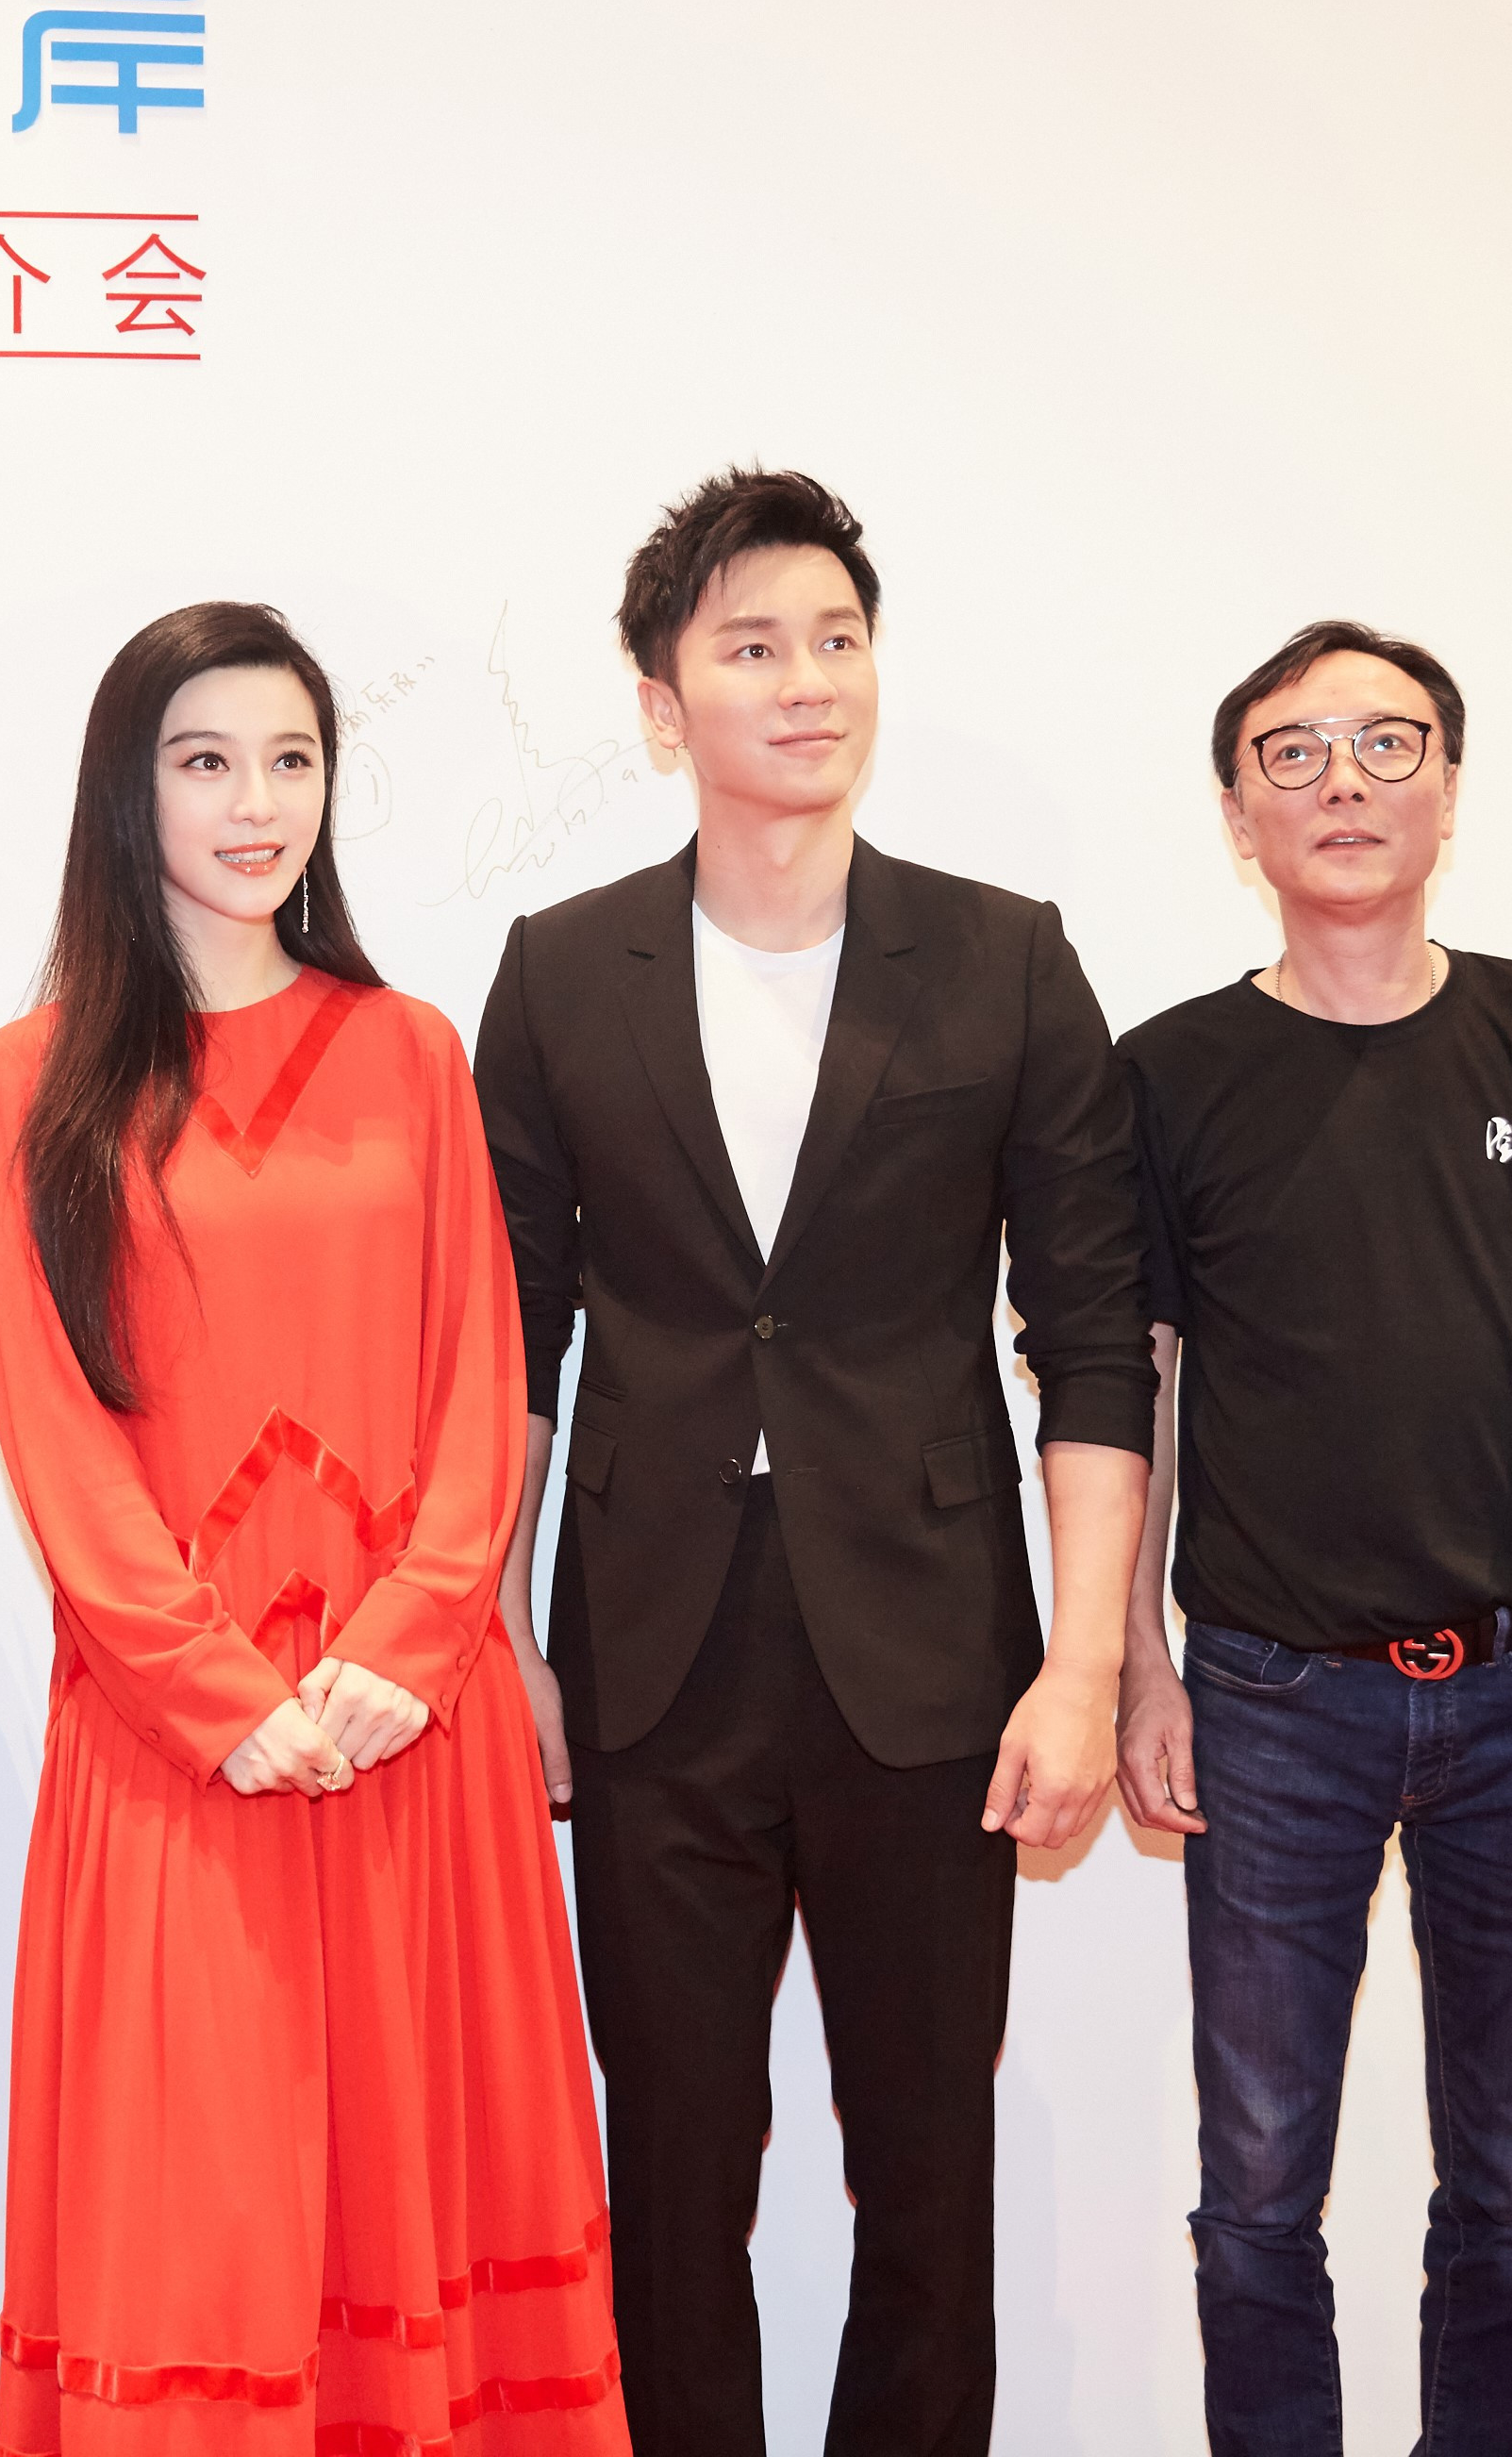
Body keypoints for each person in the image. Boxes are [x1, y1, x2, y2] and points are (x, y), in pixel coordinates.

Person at [476, 469, 1155, 2457]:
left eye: (837, 641)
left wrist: (1087, 1664)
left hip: (933, 1654)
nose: (805, 683)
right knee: (676, 2166)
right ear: (660, 700)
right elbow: (512, 1341)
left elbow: (1089, 1340)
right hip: (652, 1651)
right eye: (752, 647)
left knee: (927, 2167)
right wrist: (503, 1636)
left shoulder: (1003, 958)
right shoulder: (561, 969)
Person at [0, 601, 624, 2450]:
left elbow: (481, 1374)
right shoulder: (32, 1077)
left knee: (430, 2189)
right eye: (207, 762)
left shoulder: (410, 1049)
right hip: (179, 1745)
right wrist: (213, 1695)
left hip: (411, 1729)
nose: (258, 804)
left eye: (291, 760)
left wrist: (412, 1649)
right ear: (129, 790)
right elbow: (52, 1429)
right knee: (203, 2216)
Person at [1113, 623, 1512, 2457]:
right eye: (1295, 751)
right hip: (1268, 1701)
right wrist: (1137, 1665)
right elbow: (1136, 1386)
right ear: (1237, 809)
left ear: (1450, 792)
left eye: (1389, 744)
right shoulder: (1167, 1072)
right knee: (1257, 2189)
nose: (1343, 783)